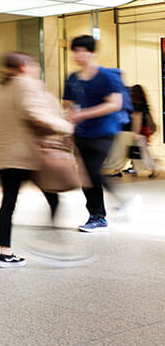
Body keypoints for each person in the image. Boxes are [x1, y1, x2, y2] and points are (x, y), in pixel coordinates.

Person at [0, 53, 74, 268]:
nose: (37, 68)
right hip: (24, 156)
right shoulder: (25, 84)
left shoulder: (4, 88)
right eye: (34, 64)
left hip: (4, 156)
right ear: (24, 67)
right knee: (54, 198)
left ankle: (5, 253)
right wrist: (65, 126)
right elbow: (34, 113)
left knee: (8, 204)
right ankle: (51, 247)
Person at [64, 35, 134, 233]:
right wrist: (70, 126)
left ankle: (123, 201)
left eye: (81, 50)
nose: (77, 55)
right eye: (74, 50)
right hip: (81, 132)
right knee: (85, 176)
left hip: (104, 131)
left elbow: (115, 103)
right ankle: (97, 216)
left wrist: (84, 113)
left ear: (92, 52)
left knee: (93, 171)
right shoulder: (73, 78)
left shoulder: (107, 76)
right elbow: (68, 105)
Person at [128, 84, 157, 177]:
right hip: (145, 129)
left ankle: (153, 167)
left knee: (142, 150)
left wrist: (135, 132)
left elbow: (137, 118)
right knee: (141, 150)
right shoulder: (143, 102)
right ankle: (139, 167)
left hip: (140, 130)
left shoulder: (136, 104)